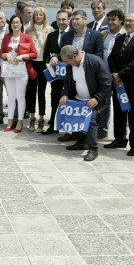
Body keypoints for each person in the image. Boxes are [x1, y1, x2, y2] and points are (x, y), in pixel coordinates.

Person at [50, 9, 103, 143]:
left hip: (89, 74)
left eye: (77, 19)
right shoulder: (67, 36)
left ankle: (88, 139)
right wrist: (55, 57)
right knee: (72, 103)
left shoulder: (95, 35)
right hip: (70, 73)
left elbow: (99, 54)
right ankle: (72, 133)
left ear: (85, 20)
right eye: (73, 19)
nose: (75, 22)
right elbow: (61, 52)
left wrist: (84, 62)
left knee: (87, 108)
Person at [106, 13, 134, 156]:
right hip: (118, 85)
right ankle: (119, 139)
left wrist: (121, 75)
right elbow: (111, 57)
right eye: (127, 21)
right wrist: (114, 74)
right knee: (119, 113)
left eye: (132, 21)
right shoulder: (120, 38)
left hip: (133, 85)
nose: (128, 23)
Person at [59, 45, 111, 161]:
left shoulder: (94, 62)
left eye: (67, 61)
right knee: (71, 115)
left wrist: (97, 98)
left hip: (94, 100)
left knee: (91, 120)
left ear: (74, 56)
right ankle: (81, 142)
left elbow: (106, 84)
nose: (66, 64)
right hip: (77, 98)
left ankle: (93, 149)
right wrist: (65, 94)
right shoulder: (70, 65)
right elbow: (67, 82)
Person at [0, 15, 37, 132]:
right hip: (9, 70)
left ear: (21, 24)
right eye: (13, 23)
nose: (15, 25)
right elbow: (1, 53)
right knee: (10, 96)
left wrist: (22, 56)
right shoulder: (6, 37)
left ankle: (20, 121)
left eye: (17, 22)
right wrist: (7, 55)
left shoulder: (26, 37)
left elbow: (34, 54)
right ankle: (10, 120)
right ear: (10, 25)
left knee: (20, 96)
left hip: (21, 69)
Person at [98, 9, 126, 140]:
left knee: (121, 106)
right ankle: (103, 130)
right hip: (104, 76)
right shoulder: (103, 34)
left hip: (120, 77)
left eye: (113, 19)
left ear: (121, 21)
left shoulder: (127, 35)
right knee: (104, 104)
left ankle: (122, 135)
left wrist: (120, 74)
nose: (110, 22)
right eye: (108, 19)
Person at [25, 7, 53, 131]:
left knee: (41, 92)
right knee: (31, 91)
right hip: (32, 64)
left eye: (41, 15)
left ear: (44, 17)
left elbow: (49, 48)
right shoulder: (28, 30)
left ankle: (41, 118)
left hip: (43, 64)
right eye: (36, 15)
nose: (38, 17)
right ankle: (32, 117)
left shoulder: (49, 30)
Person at [41, 10, 69, 135]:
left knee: (70, 99)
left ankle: (69, 128)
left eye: (63, 19)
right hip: (56, 75)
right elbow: (46, 54)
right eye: (59, 19)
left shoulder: (73, 35)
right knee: (55, 99)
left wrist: (60, 57)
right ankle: (53, 125)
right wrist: (51, 60)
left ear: (68, 20)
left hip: (70, 74)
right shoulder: (51, 35)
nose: (61, 22)